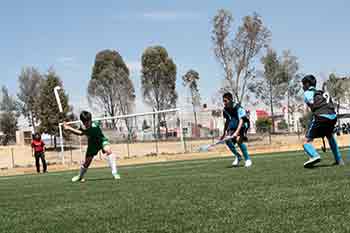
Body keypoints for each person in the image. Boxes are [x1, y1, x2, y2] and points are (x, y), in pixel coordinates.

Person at [63, 111, 120, 182]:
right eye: (84, 122)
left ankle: (115, 173)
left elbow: (80, 133)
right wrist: (69, 128)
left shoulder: (94, 125)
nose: (86, 124)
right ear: (82, 122)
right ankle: (80, 176)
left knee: (108, 150)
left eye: (87, 122)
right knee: (87, 163)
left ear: (90, 120)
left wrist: (69, 128)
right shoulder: (84, 127)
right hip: (92, 145)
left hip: (101, 140)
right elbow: (79, 132)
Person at [302, 74, 344, 168]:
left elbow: (312, 104)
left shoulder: (307, 93)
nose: (302, 87)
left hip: (321, 116)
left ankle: (315, 156)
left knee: (306, 141)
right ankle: (339, 160)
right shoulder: (322, 92)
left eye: (303, 85)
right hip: (333, 117)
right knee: (330, 136)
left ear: (307, 84)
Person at [221, 92, 252, 167]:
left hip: (243, 125)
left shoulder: (238, 107)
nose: (224, 103)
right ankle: (238, 156)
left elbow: (242, 120)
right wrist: (224, 134)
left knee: (238, 140)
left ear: (231, 99)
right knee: (227, 140)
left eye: (225, 101)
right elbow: (227, 121)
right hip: (234, 124)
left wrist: (236, 132)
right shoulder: (225, 110)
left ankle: (247, 159)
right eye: (223, 101)